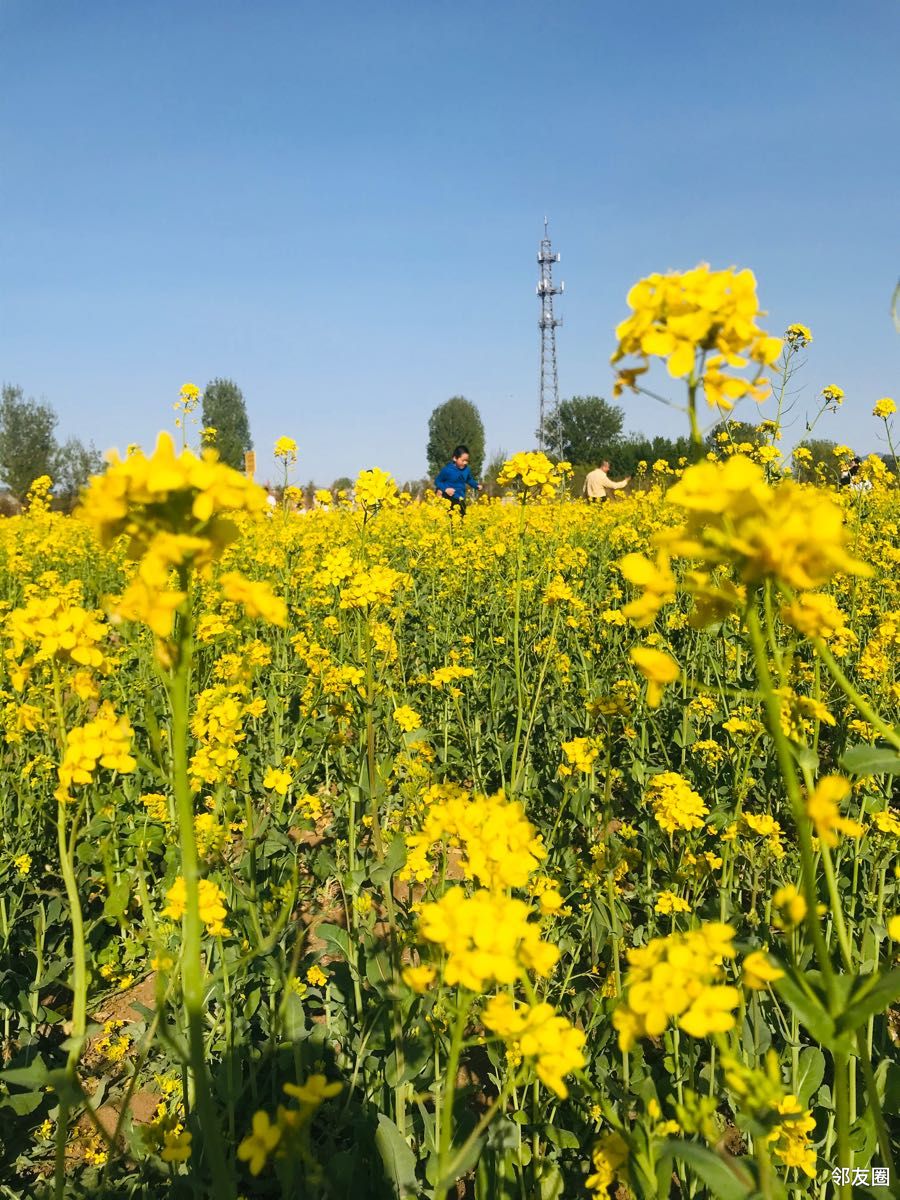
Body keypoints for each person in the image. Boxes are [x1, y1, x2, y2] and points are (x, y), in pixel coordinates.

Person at [434, 444, 483, 515]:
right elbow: (437, 481)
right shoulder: (447, 470)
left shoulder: (466, 470)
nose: (465, 463)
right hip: (448, 499)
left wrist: (476, 485)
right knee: (450, 519)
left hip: (460, 498)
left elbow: (469, 480)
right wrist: (446, 489)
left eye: (467, 461)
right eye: (463, 460)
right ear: (455, 458)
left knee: (462, 518)